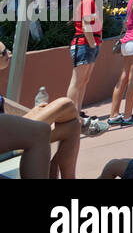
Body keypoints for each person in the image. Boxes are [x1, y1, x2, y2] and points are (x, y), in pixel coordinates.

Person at [0, 42, 82, 178]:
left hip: (7, 136)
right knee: (65, 104)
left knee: (73, 126)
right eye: (3, 53)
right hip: (7, 142)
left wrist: (33, 112)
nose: (8, 54)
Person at [67, 0, 107, 112]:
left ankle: (76, 112)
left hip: (88, 44)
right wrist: (92, 44)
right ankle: (71, 114)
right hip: (84, 44)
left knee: (83, 81)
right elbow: (86, 25)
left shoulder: (90, 2)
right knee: (78, 82)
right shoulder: (88, 2)